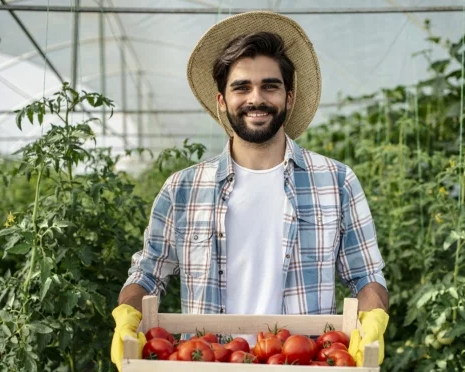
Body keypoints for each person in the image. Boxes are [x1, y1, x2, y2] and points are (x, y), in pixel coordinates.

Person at [110, 11, 389, 370]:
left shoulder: (336, 182)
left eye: (269, 86)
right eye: (241, 87)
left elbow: (367, 276)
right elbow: (148, 275)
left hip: (302, 363)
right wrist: (128, 317)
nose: (256, 99)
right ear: (222, 101)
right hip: (208, 360)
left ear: (288, 97)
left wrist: (373, 320)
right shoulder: (183, 189)